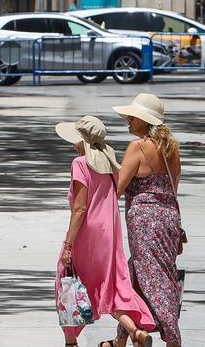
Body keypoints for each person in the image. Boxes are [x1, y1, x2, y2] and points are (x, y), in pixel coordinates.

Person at [56, 115, 156, 347]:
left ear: (82, 141)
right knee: (109, 288)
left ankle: (71, 342)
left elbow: (80, 209)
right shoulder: (110, 163)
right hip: (109, 235)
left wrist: (69, 245)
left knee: (68, 282)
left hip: (87, 235)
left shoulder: (80, 164)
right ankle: (136, 332)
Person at [110, 93, 184, 347]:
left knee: (154, 280)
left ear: (143, 119)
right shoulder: (170, 148)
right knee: (141, 275)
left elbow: (117, 188)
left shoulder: (137, 147)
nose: (128, 120)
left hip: (145, 221)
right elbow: (174, 187)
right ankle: (125, 337)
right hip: (169, 220)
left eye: (131, 116)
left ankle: (173, 337)